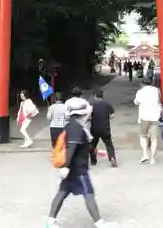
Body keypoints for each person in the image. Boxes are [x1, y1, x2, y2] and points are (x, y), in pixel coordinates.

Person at [44, 98, 117, 228]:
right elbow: (72, 147)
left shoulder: (71, 125)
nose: (89, 115)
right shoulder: (77, 128)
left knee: (62, 192)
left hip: (73, 166)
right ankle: (100, 223)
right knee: (88, 193)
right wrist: (66, 167)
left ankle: (50, 221)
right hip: (77, 168)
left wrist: (95, 151)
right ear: (83, 113)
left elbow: (78, 145)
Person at [134, 78, 162, 165]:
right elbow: (159, 100)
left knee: (143, 136)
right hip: (155, 117)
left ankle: (145, 154)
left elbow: (136, 102)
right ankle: (152, 159)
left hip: (144, 117)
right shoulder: (157, 90)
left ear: (142, 83)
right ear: (151, 83)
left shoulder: (140, 91)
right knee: (154, 139)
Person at [90, 90, 117, 167]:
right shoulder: (107, 104)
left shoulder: (92, 105)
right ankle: (112, 157)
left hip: (94, 128)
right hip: (105, 128)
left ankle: (93, 161)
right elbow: (112, 115)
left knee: (93, 144)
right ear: (102, 96)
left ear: (95, 96)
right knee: (109, 144)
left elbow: (89, 116)